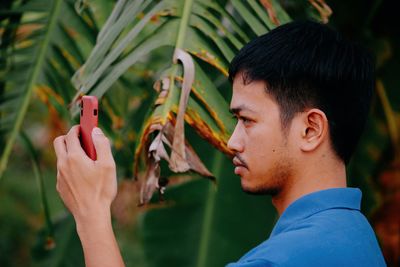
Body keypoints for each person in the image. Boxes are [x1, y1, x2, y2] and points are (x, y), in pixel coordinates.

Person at [53, 21, 386, 267]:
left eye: (247, 120)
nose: (231, 141)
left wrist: (92, 213)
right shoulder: (355, 236)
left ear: (310, 130)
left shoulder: (286, 258)